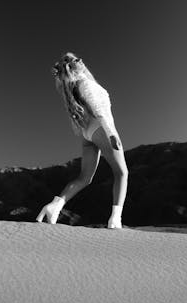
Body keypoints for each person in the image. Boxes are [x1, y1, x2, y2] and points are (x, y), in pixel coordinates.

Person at [36, 52, 128, 229]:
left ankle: (54, 206)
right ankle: (115, 220)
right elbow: (98, 109)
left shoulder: (72, 86)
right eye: (76, 60)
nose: (81, 60)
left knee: (85, 178)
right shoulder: (85, 83)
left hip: (87, 134)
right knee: (122, 173)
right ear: (72, 66)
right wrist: (111, 134)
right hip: (101, 128)